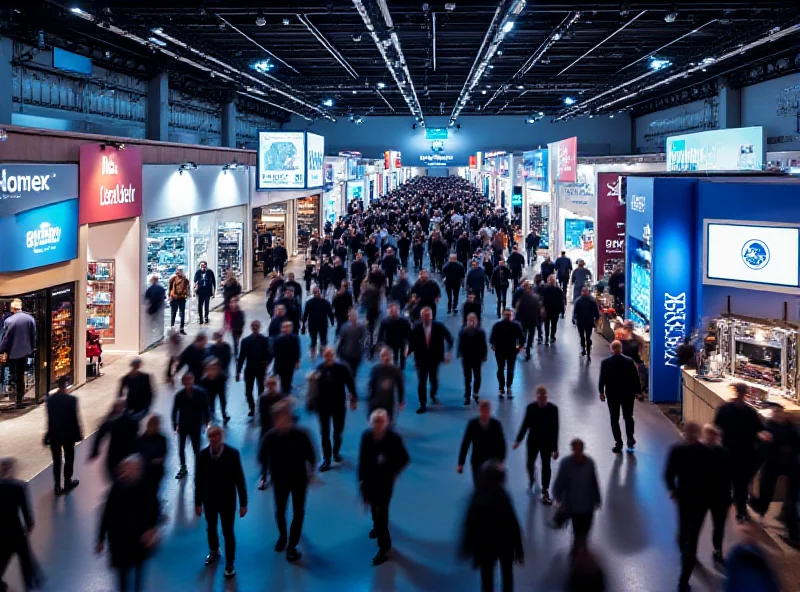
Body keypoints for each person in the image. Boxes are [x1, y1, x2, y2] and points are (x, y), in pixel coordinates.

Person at [258, 402, 315, 563]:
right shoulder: (269, 437)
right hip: (280, 480)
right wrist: (265, 476)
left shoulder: (302, 435)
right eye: (279, 419)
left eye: (286, 418)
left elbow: (311, 456)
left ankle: (292, 546)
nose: (283, 422)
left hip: (299, 480)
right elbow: (262, 457)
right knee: (280, 511)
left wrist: (311, 473)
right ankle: (283, 536)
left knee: (298, 512)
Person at [96, 455, 159, 592]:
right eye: (127, 469)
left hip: (139, 540)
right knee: (122, 577)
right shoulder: (116, 489)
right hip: (120, 542)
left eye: (134, 469)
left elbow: (154, 510)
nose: (129, 472)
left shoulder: (146, 488)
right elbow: (106, 514)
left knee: (138, 573)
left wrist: (152, 529)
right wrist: (100, 538)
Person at [459, 461, 524, 592]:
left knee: (486, 578)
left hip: (485, 546)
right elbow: (513, 523)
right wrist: (518, 549)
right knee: (507, 575)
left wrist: (468, 547)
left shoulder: (477, 496)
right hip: (505, 544)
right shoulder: (503, 496)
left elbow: (470, 523)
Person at [358, 408, 410, 565]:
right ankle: (377, 526)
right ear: (371, 423)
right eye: (375, 422)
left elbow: (404, 458)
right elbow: (362, 460)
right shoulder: (366, 437)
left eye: (381, 422)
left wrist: (393, 470)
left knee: (381, 512)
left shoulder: (394, 438)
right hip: (370, 480)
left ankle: (384, 547)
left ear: (387, 422)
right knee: (374, 508)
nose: (378, 425)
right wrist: (361, 480)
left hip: (386, 481)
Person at [665, 422, 712, 591]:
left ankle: (684, 549)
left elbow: (668, 474)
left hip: (684, 499)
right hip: (700, 501)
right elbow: (711, 478)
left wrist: (672, 490)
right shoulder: (706, 452)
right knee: (692, 538)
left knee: (686, 533)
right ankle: (684, 578)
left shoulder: (677, 450)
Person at [195, 425, 248, 578]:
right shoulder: (203, 455)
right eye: (210, 438)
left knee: (228, 531)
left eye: (216, 437)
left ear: (221, 437)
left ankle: (230, 563)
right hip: (209, 500)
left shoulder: (232, 454)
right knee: (210, 528)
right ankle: (214, 550)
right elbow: (198, 481)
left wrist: (243, 503)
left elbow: (239, 479)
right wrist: (198, 503)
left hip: (227, 501)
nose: (214, 440)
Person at [747, 406, 799, 545]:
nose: (778, 415)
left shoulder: (790, 427)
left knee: (790, 500)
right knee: (766, 494)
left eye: (779, 412)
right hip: (775, 464)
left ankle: (792, 532)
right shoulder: (770, 428)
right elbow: (761, 450)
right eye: (776, 413)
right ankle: (760, 510)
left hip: (788, 465)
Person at [713, 382, 765, 521]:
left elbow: (717, 427)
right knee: (740, 484)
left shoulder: (724, 409)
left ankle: (730, 502)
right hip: (745, 453)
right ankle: (740, 511)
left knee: (728, 480)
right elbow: (758, 430)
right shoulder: (750, 412)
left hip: (729, 451)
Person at [553, 438, 602, 552]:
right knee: (578, 531)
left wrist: (597, 498)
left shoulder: (590, 463)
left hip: (588, 505)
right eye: (575, 450)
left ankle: (580, 547)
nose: (577, 453)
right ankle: (578, 550)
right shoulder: (566, 464)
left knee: (586, 530)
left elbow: (594, 482)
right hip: (573, 506)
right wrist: (558, 498)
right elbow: (560, 482)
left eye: (579, 450)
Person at [0, 457, 41, 592]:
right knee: (25, 556)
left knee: (2, 558)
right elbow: (26, 510)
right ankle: (31, 581)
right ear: (12, 470)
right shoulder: (19, 487)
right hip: (16, 529)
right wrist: (29, 524)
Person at [513, 386, 559, 503]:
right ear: (537, 397)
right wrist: (518, 440)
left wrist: (555, 449)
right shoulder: (531, 408)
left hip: (546, 443)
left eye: (544, 397)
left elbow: (555, 429)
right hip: (533, 442)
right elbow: (525, 425)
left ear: (546, 397)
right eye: (540, 397)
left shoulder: (553, 409)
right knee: (529, 463)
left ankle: (545, 489)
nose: (542, 400)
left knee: (546, 466)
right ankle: (532, 477)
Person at [314, 347, 357, 472]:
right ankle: (327, 459)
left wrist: (353, 399)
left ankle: (336, 452)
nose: (328, 357)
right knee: (324, 433)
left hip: (338, 406)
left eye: (330, 355)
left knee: (338, 431)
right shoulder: (319, 369)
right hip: (323, 407)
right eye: (326, 355)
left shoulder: (342, 368)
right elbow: (314, 388)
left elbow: (350, 384)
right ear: (323, 356)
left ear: (334, 356)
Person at [598, 340, 642, 453]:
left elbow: (602, 378)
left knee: (614, 418)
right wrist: (638, 392)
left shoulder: (605, 362)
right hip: (628, 394)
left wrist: (601, 392)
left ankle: (618, 443)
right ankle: (630, 438)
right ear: (621, 349)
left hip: (612, 394)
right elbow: (635, 378)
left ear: (611, 349)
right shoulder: (629, 361)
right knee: (628, 416)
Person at [407, 306, 453, 414]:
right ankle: (422, 404)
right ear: (421, 317)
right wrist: (408, 351)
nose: (427, 318)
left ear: (432, 317)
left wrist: (448, 353)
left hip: (435, 358)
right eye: (425, 316)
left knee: (433, 380)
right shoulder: (416, 328)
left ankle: (433, 394)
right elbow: (411, 342)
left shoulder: (439, 327)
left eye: (429, 316)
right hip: (421, 359)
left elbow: (449, 339)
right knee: (421, 382)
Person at [44, 375, 82, 495]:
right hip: (68, 434)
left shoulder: (50, 400)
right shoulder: (71, 400)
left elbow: (49, 419)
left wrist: (47, 435)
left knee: (56, 460)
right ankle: (67, 481)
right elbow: (75, 418)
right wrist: (79, 433)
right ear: (66, 385)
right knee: (69, 457)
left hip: (55, 434)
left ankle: (56, 485)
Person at [703, 424, 733, 568]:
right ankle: (690, 550)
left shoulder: (725, 453)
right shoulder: (698, 452)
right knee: (695, 526)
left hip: (719, 497)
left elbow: (730, 477)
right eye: (708, 436)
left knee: (719, 526)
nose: (711, 439)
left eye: (713, 436)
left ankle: (718, 550)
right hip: (705, 496)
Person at [458, 400, 507, 485]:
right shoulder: (472, 424)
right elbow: (465, 443)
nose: (485, 414)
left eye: (487, 411)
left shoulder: (496, 424)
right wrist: (461, 463)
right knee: (478, 485)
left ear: (489, 411)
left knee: (491, 485)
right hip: (477, 460)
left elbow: (502, 444)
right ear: (480, 410)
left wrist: (501, 461)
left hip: (492, 461)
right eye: (483, 411)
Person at [171, 373, 209, 480]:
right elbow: (174, 411)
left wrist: (207, 422)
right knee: (181, 448)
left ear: (193, 380)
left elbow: (206, 408)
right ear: (183, 382)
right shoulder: (179, 395)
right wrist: (175, 424)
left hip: (196, 425)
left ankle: (198, 468)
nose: (187, 383)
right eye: (185, 381)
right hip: (183, 425)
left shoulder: (201, 394)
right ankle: (183, 467)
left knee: (196, 448)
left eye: (189, 380)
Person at [91, 399, 140, 483]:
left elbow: (101, 434)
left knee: (115, 473)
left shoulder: (113, 421)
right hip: (123, 452)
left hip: (117, 453)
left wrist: (95, 451)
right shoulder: (131, 420)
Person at [0, 298, 36, 407]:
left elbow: (6, 339)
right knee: (21, 374)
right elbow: (33, 336)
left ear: (12, 309)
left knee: (12, 374)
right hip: (26, 351)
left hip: (13, 353)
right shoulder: (30, 319)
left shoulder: (9, 321)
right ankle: (20, 398)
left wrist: (1, 350)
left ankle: (12, 395)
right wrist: (32, 348)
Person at [236, 320, 271, 417]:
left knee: (261, 390)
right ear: (251, 328)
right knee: (248, 392)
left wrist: (266, 364)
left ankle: (260, 407)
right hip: (249, 370)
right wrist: (238, 371)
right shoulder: (245, 341)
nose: (255, 327)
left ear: (259, 327)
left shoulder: (264, 340)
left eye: (257, 325)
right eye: (253, 326)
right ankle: (252, 407)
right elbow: (242, 357)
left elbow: (268, 354)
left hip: (261, 369)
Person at [489, 309, 525, 399]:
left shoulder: (515, 326)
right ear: (503, 315)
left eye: (509, 315)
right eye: (506, 315)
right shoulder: (498, 326)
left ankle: (508, 387)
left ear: (512, 316)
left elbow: (522, 338)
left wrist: (520, 346)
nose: (507, 316)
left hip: (510, 351)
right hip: (502, 351)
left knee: (510, 369)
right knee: (501, 369)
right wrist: (493, 345)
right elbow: (492, 338)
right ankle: (502, 387)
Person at [137, 415, 168, 516]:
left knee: (154, 492)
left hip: (156, 472)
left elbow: (163, 454)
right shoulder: (141, 439)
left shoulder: (162, 439)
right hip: (145, 471)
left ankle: (154, 512)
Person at [457, 313, 488, 406]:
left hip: (477, 358)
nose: (471, 322)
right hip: (466, 358)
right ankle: (467, 396)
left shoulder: (480, 331)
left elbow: (484, 344)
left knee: (477, 377)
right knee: (467, 378)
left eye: (473, 320)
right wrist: (459, 353)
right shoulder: (463, 331)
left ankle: (475, 393)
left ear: (476, 321)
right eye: (469, 320)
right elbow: (460, 342)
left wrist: (484, 355)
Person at [367, 347, 405, 421]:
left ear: (391, 356)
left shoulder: (396, 371)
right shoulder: (375, 370)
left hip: (389, 402)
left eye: (387, 355)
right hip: (375, 401)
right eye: (383, 355)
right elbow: (371, 385)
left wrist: (400, 401)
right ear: (380, 357)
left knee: (389, 422)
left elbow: (400, 386)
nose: (385, 358)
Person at [302, 286, 334, 359]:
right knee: (321, 341)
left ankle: (314, 358)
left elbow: (305, 315)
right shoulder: (324, 302)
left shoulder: (310, 303)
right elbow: (330, 313)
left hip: (315, 325)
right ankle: (321, 356)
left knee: (314, 341)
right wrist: (332, 321)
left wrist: (303, 326)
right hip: (321, 324)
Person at [377, 302, 411, 370]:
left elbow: (409, 333)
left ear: (398, 310)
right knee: (393, 357)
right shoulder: (385, 321)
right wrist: (380, 344)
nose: (392, 312)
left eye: (394, 310)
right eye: (390, 311)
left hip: (402, 342)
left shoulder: (404, 321)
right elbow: (380, 334)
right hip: (389, 342)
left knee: (402, 358)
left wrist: (408, 343)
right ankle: (394, 369)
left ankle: (401, 369)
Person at [513, 282, 541, 361]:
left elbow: (518, 311)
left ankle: (521, 346)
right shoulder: (536, 298)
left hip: (524, 321)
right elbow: (538, 311)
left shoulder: (521, 299)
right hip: (532, 320)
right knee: (531, 335)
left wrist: (516, 319)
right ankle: (528, 349)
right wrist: (538, 320)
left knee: (523, 334)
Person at [337, 309, 367, 381]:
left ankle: (351, 385)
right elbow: (341, 340)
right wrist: (338, 350)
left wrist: (364, 349)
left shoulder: (361, 327)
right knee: (348, 370)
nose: (352, 317)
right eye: (350, 316)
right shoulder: (345, 327)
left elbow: (365, 339)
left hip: (356, 353)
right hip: (347, 353)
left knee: (353, 371)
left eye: (353, 316)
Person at [272, 321, 301, 394]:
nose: (286, 329)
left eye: (288, 327)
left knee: (289, 376)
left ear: (291, 328)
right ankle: (285, 390)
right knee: (283, 378)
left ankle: (287, 387)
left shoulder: (295, 338)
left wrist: (297, 361)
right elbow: (275, 353)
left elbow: (297, 350)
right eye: (284, 327)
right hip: (281, 363)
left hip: (291, 362)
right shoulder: (278, 339)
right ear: (281, 329)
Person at [572, 286, 601, 360]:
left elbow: (575, 311)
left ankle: (584, 349)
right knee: (587, 336)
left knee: (583, 336)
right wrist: (597, 319)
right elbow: (596, 312)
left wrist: (574, 319)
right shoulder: (592, 301)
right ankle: (587, 351)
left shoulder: (578, 300)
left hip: (581, 322)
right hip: (588, 322)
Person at [200, 358, 229, 424]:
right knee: (211, 402)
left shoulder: (221, 376)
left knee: (223, 401)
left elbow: (225, 378)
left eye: (215, 369)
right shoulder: (204, 380)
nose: (213, 371)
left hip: (219, 389)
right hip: (211, 391)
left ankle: (223, 414)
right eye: (210, 369)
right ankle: (212, 414)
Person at [541, 275, 565, 344]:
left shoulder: (545, 289)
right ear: (554, 282)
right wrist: (562, 311)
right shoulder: (558, 290)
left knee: (546, 324)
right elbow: (561, 301)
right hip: (555, 310)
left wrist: (542, 308)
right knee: (554, 324)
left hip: (547, 309)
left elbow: (542, 300)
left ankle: (546, 337)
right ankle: (552, 336)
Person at [193, 261, 216, 325]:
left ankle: (206, 317)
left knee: (206, 305)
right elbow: (195, 280)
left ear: (206, 265)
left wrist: (214, 291)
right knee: (200, 305)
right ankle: (200, 318)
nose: (202, 267)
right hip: (200, 291)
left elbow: (214, 281)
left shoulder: (210, 272)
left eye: (203, 265)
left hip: (207, 291)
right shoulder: (198, 272)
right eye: (201, 265)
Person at [168, 267, 190, 334]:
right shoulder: (173, 279)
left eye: (180, 271)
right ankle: (172, 327)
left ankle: (181, 329)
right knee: (173, 313)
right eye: (178, 271)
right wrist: (170, 296)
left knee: (182, 314)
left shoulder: (185, 279)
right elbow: (170, 287)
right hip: (174, 298)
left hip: (182, 298)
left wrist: (188, 294)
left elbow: (187, 286)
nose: (179, 272)